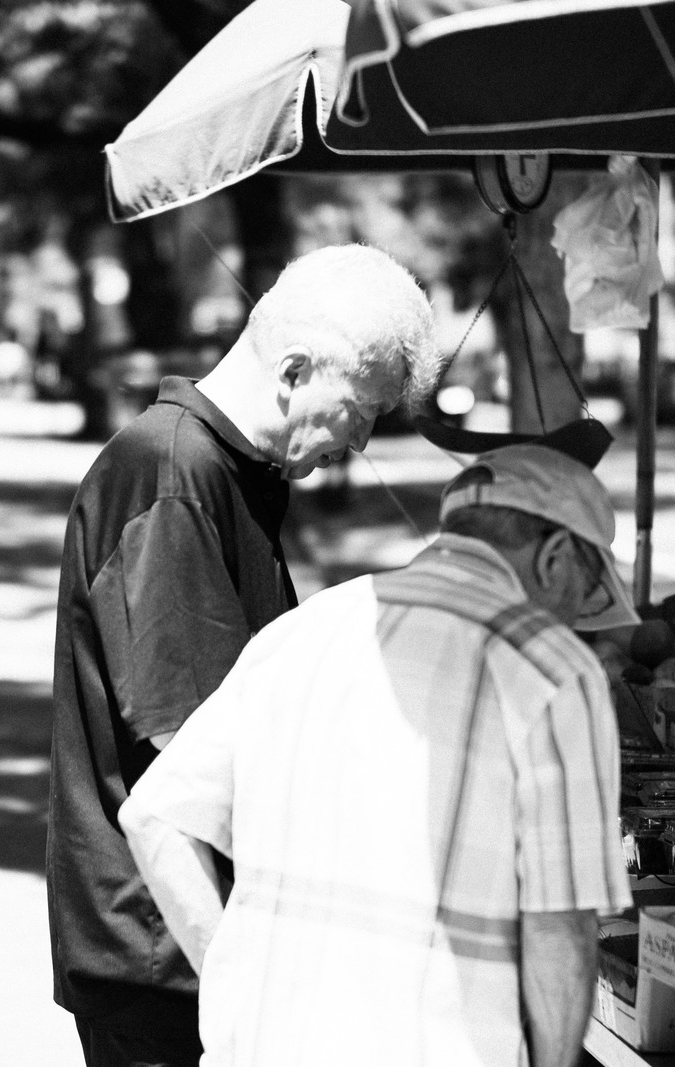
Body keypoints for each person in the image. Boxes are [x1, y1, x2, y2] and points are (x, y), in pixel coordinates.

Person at [118, 443, 640, 1067]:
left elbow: (154, 816)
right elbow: (560, 928)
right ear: (556, 559)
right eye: (582, 597)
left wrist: (229, 974)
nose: (574, 623)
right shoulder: (553, 668)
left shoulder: (303, 630)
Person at [47, 244, 442, 1067]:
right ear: (294, 369)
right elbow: (196, 739)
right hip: (167, 946)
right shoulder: (174, 471)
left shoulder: (226, 468)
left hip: (187, 938)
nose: (365, 438)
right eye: (363, 408)